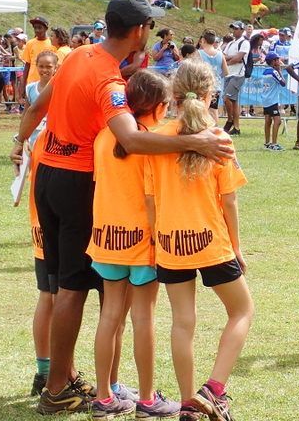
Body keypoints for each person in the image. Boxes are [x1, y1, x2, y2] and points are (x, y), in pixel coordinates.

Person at [12, 0, 232, 414]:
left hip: (48, 176)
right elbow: (130, 139)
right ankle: (58, 389)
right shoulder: (109, 81)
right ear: (139, 30)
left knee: (61, 286)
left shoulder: (77, 56)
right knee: (73, 289)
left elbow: (38, 106)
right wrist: (196, 142)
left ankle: (73, 378)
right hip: (77, 183)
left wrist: (20, 142)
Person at [143, 60, 252, 421]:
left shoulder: (156, 138)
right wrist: (236, 246)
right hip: (211, 242)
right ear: (209, 96)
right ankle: (214, 391)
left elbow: (150, 199)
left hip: (170, 244)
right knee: (242, 311)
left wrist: (157, 241)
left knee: (182, 322)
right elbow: (229, 200)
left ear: (173, 96)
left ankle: (189, 403)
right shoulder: (218, 138)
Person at [88, 70, 180, 418]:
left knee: (109, 315)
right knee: (144, 319)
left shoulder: (103, 136)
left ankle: (104, 397)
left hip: (106, 237)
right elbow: (155, 196)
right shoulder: (150, 142)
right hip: (143, 242)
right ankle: (147, 399)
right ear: (158, 106)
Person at [23, 49, 58, 397]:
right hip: (54, 229)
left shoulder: (41, 140)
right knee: (58, 298)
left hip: (40, 227)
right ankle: (57, 374)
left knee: (47, 296)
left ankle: (45, 371)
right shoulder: (55, 140)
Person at [222, 22, 250, 136]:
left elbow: (238, 58)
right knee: (233, 101)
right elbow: (224, 57)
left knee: (226, 98)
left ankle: (230, 120)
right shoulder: (230, 43)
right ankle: (236, 128)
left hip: (238, 74)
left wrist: (229, 60)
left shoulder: (245, 43)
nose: (234, 30)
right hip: (229, 73)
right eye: (233, 28)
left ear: (242, 30)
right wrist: (231, 58)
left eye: (236, 28)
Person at [197, 31, 227, 123]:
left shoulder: (199, 53)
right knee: (214, 110)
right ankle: (215, 129)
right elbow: (226, 72)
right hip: (215, 87)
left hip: (202, 86)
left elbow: (195, 70)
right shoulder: (220, 54)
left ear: (203, 40)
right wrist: (217, 77)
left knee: (201, 109)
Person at [260, 52, 287, 151]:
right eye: (277, 60)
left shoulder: (264, 72)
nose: (279, 61)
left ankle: (267, 142)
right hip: (272, 100)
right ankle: (274, 143)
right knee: (277, 121)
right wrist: (279, 71)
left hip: (265, 99)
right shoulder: (273, 72)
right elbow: (283, 83)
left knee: (268, 120)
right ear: (273, 61)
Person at [21, 17, 55, 88]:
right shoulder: (30, 43)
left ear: (46, 29)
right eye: (35, 28)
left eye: (40, 28)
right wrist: (22, 85)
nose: (37, 30)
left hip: (47, 84)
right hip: (32, 83)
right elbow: (27, 65)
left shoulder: (52, 43)